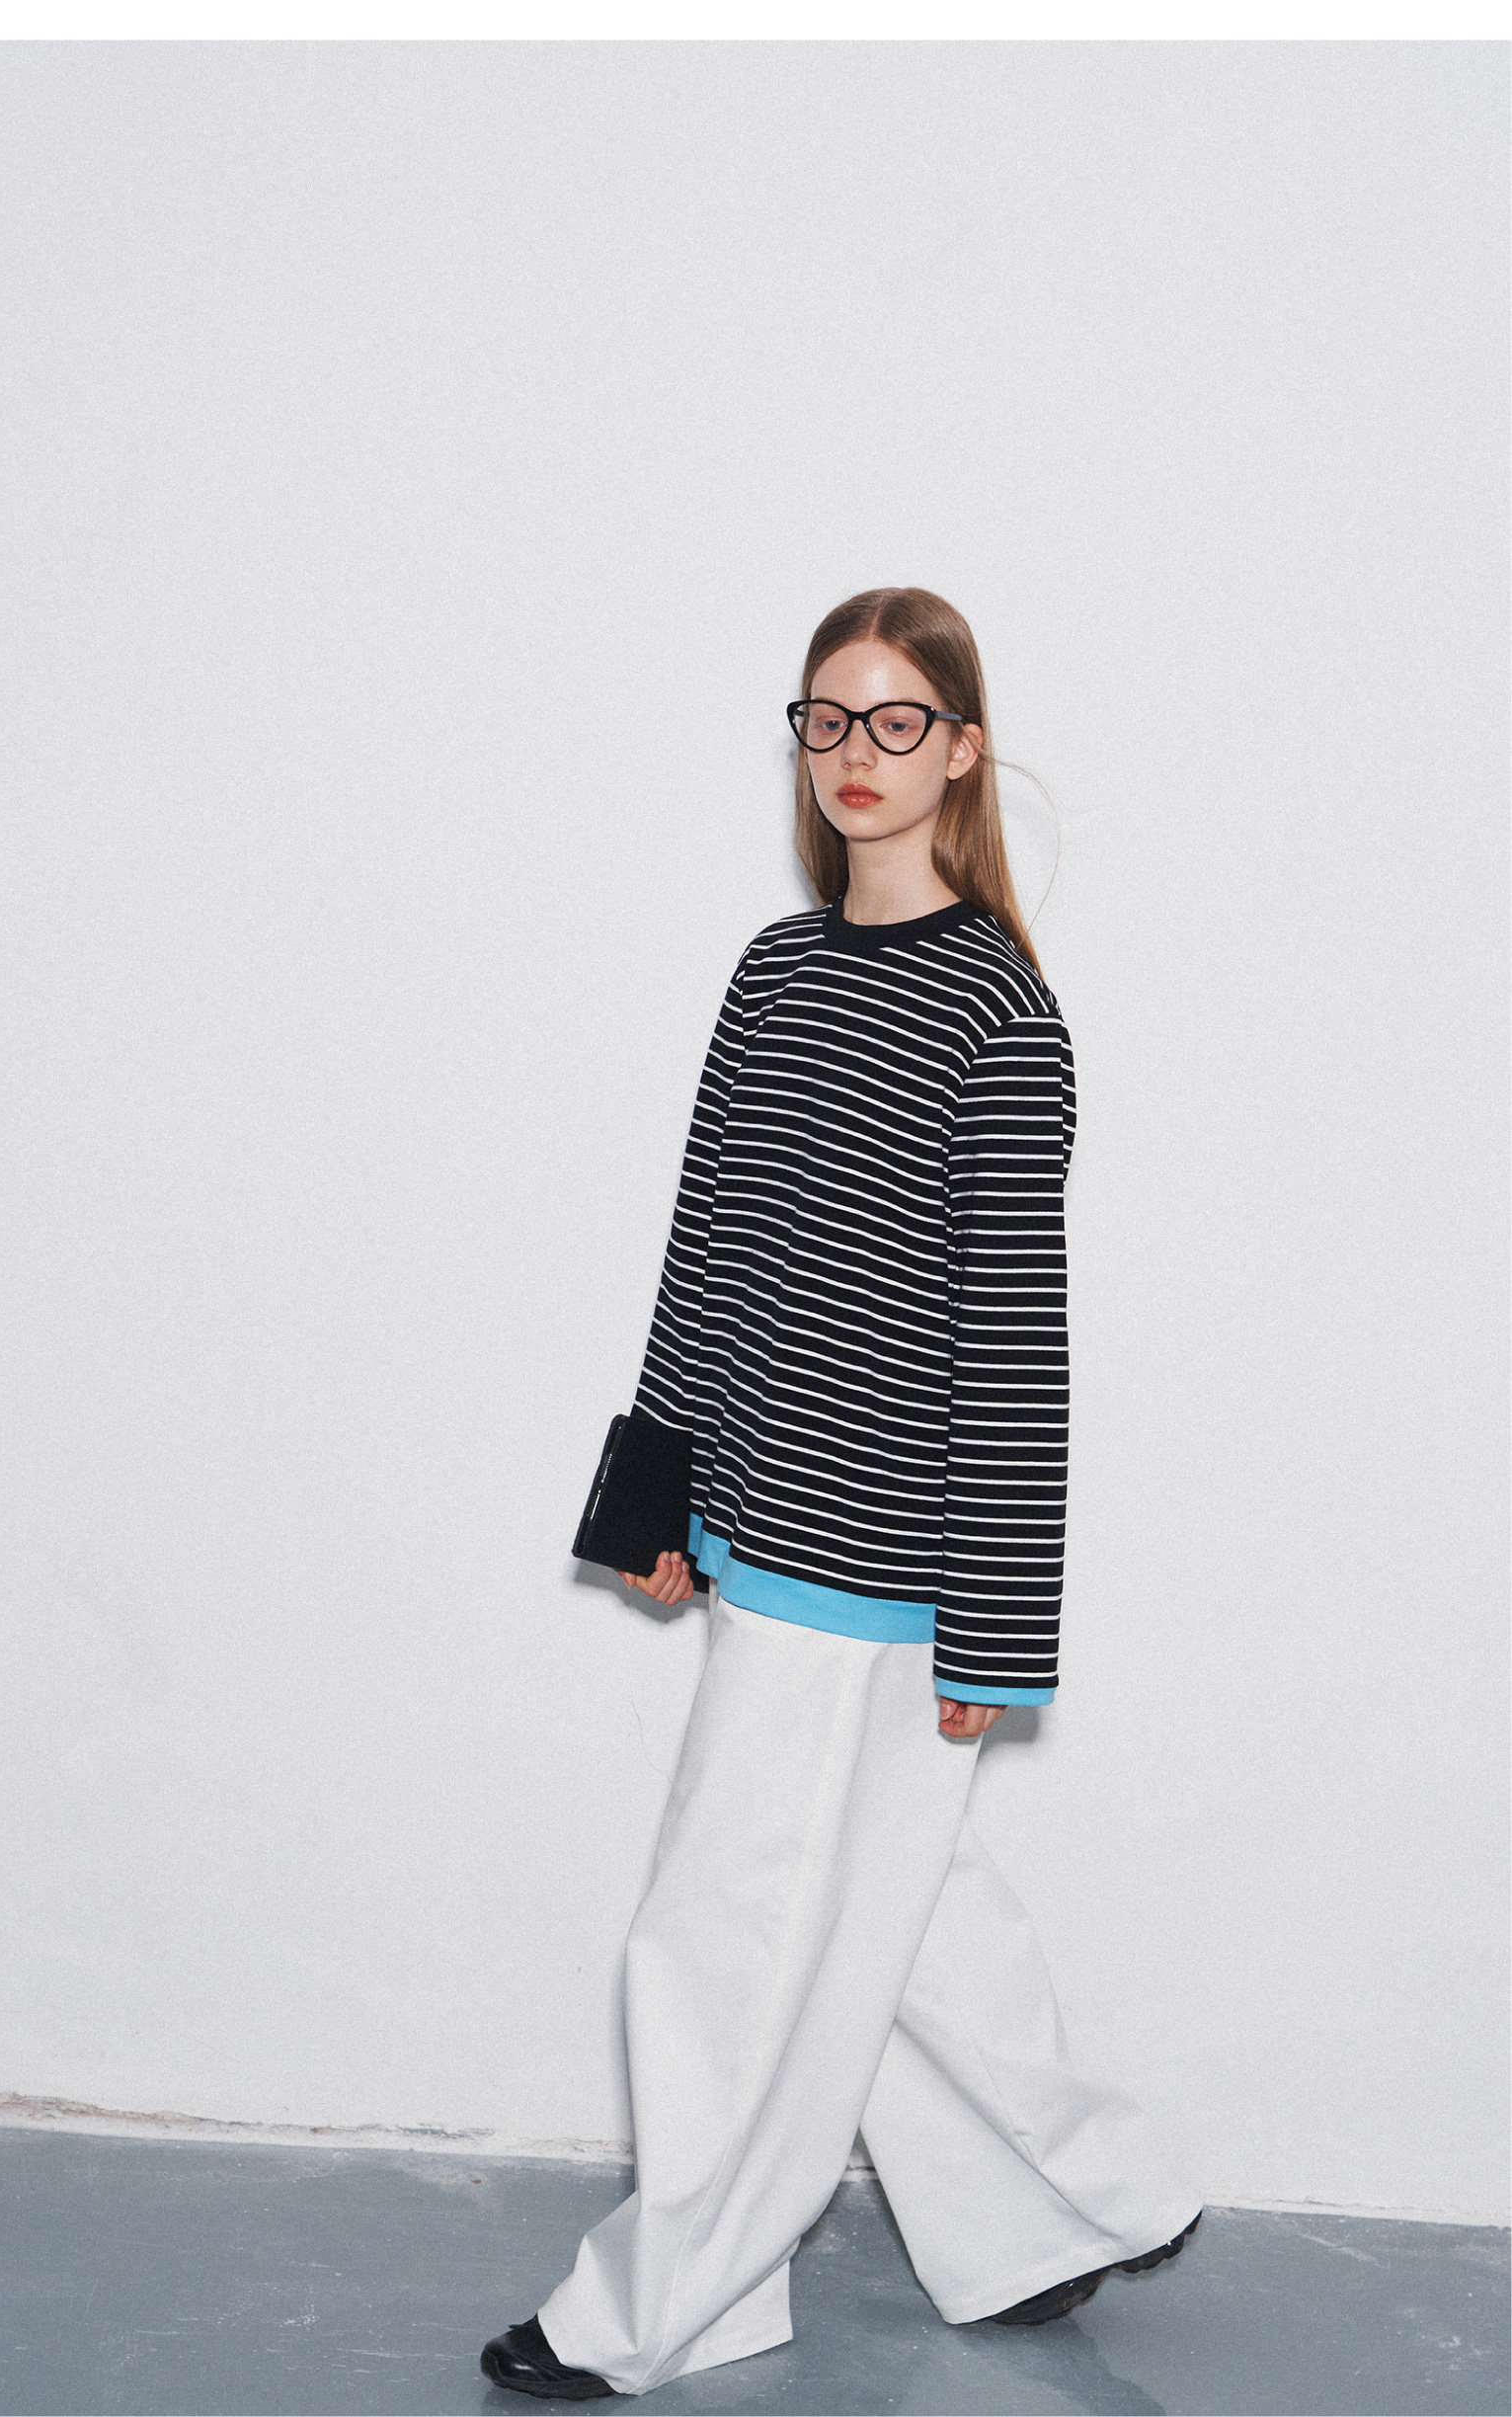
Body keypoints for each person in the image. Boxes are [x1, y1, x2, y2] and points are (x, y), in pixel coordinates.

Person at [481, 587, 1203, 2402]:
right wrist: (657, 1494)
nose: (854, 757)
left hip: (882, 1553)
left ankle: (670, 2301)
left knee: (725, 1935)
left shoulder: (1000, 1013)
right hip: (757, 1516)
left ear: (961, 747)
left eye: (894, 723)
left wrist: (997, 1630)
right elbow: (708, 1244)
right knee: (900, 1910)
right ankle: (1062, 2208)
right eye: (824, 720)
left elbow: (1008, 1341)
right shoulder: (775, 973)